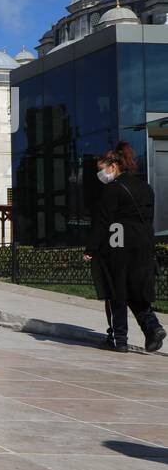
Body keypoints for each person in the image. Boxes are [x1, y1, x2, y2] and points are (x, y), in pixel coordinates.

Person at [83, 142, 164, 353]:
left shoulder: (112, 189)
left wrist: (90, 249)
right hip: (144, 243)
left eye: (101, 169)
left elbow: (102, 222)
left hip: (118, 244)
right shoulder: (145, 187)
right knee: (136, 288)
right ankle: (152, 327)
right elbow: (149, 218)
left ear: (113, 166)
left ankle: (119, 339)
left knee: (116, 289)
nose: (100, 174)